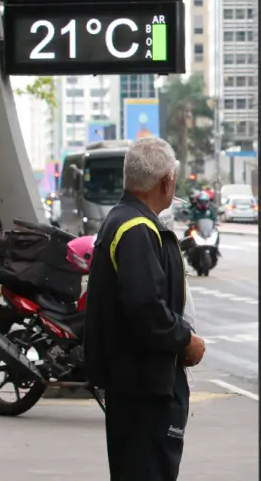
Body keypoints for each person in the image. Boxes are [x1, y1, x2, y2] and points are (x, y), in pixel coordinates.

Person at [83, 136, 205, 481]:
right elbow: (145, 307)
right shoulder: (136, 229)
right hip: (145, 387)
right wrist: (186, 340)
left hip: (133, 383)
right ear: (167, 180)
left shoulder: (121, 221)